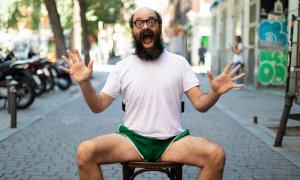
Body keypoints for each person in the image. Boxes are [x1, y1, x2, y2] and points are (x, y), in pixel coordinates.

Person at [59, 7, 245, 180]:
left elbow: (201, 104)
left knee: (216, 155)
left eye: (151, 21)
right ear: (133, 30)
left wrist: (215, 92)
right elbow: (97, 106)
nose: (145, 26)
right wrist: (84, 82)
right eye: (139, 23)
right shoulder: (122, 67)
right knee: (85, 151)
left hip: (172, 141)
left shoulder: (179, 63)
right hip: (131, 140)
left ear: (159, 27)